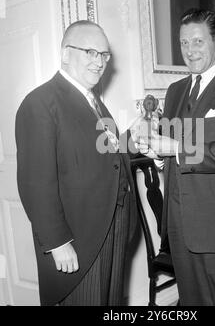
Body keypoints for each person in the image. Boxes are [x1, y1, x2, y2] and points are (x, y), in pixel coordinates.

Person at [137, 8, 215, 305]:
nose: (189, 51)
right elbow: (169, 151)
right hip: (179, 223)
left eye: (198, 42)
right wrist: (156, 153)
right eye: (183, 43)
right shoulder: (176, 90)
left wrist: (176, 149)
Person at [15, 20, 136, 306]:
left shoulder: (94, 102)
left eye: (104, 55)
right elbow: (35, 183)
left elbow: (106, 154)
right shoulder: (40, 103)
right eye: (90, 52)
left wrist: (132, 137)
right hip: (79, 236)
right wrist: (57, 243)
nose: (99, 62)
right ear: (66, 53)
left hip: (112, 225)